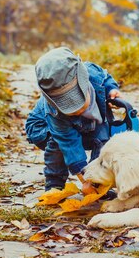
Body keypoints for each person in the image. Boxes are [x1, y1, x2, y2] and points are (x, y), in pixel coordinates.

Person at [25, 47, 121, 195]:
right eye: (66, 104)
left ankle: (99, 182)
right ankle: (54, 184)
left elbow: (106, 78)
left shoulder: (93, 73)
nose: (75, 110)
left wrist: (111, 89)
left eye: (77, 100)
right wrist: (84, 180)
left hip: (86, 125)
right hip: (43, 128)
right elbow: (69, 143)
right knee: (58, 144)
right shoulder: (54, 111)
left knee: (103, 140)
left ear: (83, 78)